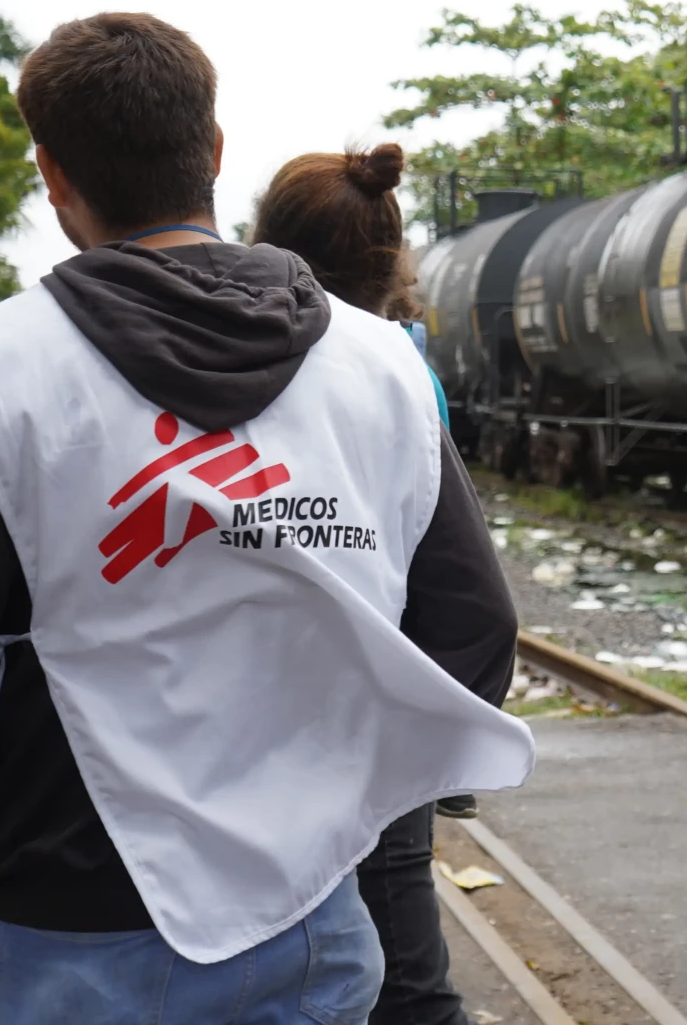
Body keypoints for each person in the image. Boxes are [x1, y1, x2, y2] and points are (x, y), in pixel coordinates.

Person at [0, 13, 533, 1025]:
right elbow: (472, 642)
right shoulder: (381, 367)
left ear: (53, 177)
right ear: (213, 152)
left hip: (58, 926)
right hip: (311, 924)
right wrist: (326, 810)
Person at [251, 144, 516, 1025]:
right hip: (374, 719)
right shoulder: (405, 371)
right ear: (392, 257)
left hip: (253, 717)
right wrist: (447, 747)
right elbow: (470, 600)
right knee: (407, 978)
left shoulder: (238, 359)